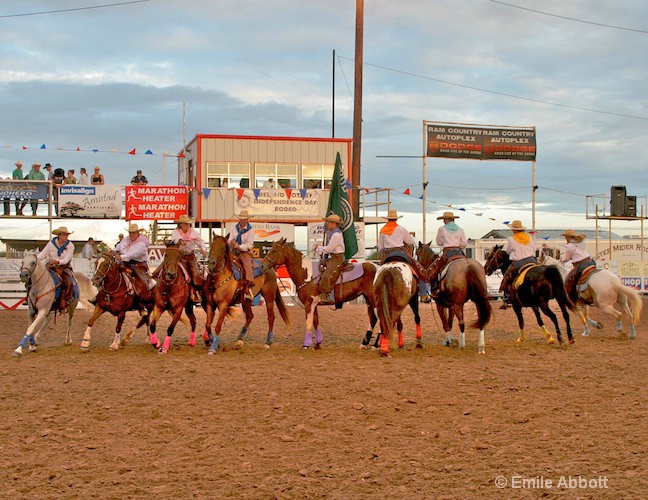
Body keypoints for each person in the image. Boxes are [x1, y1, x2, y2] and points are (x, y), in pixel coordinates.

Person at [377, 209, 431, 302]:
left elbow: (380, 247)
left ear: (388, 219)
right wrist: (411, 237)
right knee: (419, 269)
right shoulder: (401, 229)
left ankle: (376, 293)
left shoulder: (382, 231)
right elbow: (410, 242)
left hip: (387, 256)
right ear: (396, 219)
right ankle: (423, 294)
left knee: (378, 273)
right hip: (401, 254)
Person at [111, 223, 154, 308]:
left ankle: (142, 302)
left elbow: (132, 254)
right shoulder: (126, 239)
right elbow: (119, 247)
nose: (131, 234)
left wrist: (121, 256)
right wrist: (113, 251)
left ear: (138, 233)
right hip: (125, 262)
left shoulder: (142, 244)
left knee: (141, 281)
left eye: (133, 232)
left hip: (138, 265)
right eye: (130, 232)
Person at [428, 211, 467, 298]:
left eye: (444, 219)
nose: (443, 221)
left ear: (446, 220)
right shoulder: (460, 229)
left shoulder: (442, 229)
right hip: (459, 252)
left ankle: (435, 288)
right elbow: (464, 243)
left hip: (448, 252)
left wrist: (446, 242)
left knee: (436, 268)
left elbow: (439, 242)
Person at [169, 214, 207, 302]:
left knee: (196, 274)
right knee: (166, 268)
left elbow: (201, 241)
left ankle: (196, 292)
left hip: (190, 257)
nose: (187, 225)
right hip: (178, 257)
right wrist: (179, 241)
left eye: (188, 224)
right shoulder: (175, 232)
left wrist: (203, 249)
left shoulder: (194, 233)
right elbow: (175, 240)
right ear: (180, 225)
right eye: (185, 224)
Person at [499, 220, 537, 306]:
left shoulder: (511, 239)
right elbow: (534, 248)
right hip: (532, 260)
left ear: (514, 230)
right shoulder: (529, 237)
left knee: (507, 276)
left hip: (519, 262)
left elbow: (508, 251)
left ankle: (507, 298)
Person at [37, 226, 75, 311]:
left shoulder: (70, 245)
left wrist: (58, 262)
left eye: (67, 235)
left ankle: (66, 299)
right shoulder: (51, 243)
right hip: (51, 266)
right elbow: (43, 254)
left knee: (69, 281)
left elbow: (67, 259)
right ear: (59, 235)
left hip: (64, 267)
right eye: (64, 235)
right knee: (37, 277)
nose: (66, 237)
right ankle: (30, 296)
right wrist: (35, 258)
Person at [314, 213, 346, 303]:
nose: (327, 224)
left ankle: (329, 296)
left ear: (333, 223)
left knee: (327, 274)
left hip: (337, 258)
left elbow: (329, 249)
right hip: (334, 257)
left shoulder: (336, 235)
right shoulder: (333, 233)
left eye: (328, 222)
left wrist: (319, 248)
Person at [560, 230, 596, 303]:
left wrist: (562, 260)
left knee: (570, 279)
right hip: (590, 262)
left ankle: (576, 296)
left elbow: (567, 258)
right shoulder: (580, 242)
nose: (565, 239)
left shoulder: (569, 246)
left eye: (566, 237)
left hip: (581, 265)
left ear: (568, 237)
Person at [228, 210, 256, 300]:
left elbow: (249, 245)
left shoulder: (250, 230)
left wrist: (239, 246)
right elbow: (229, 238)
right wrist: (231, 242)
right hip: (233, 250)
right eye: (241, 219)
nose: (242, 221)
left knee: (247, 264)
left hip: (244, 252)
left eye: (244, 219)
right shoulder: (234, 228)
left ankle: (249, 286)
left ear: (247, 220)